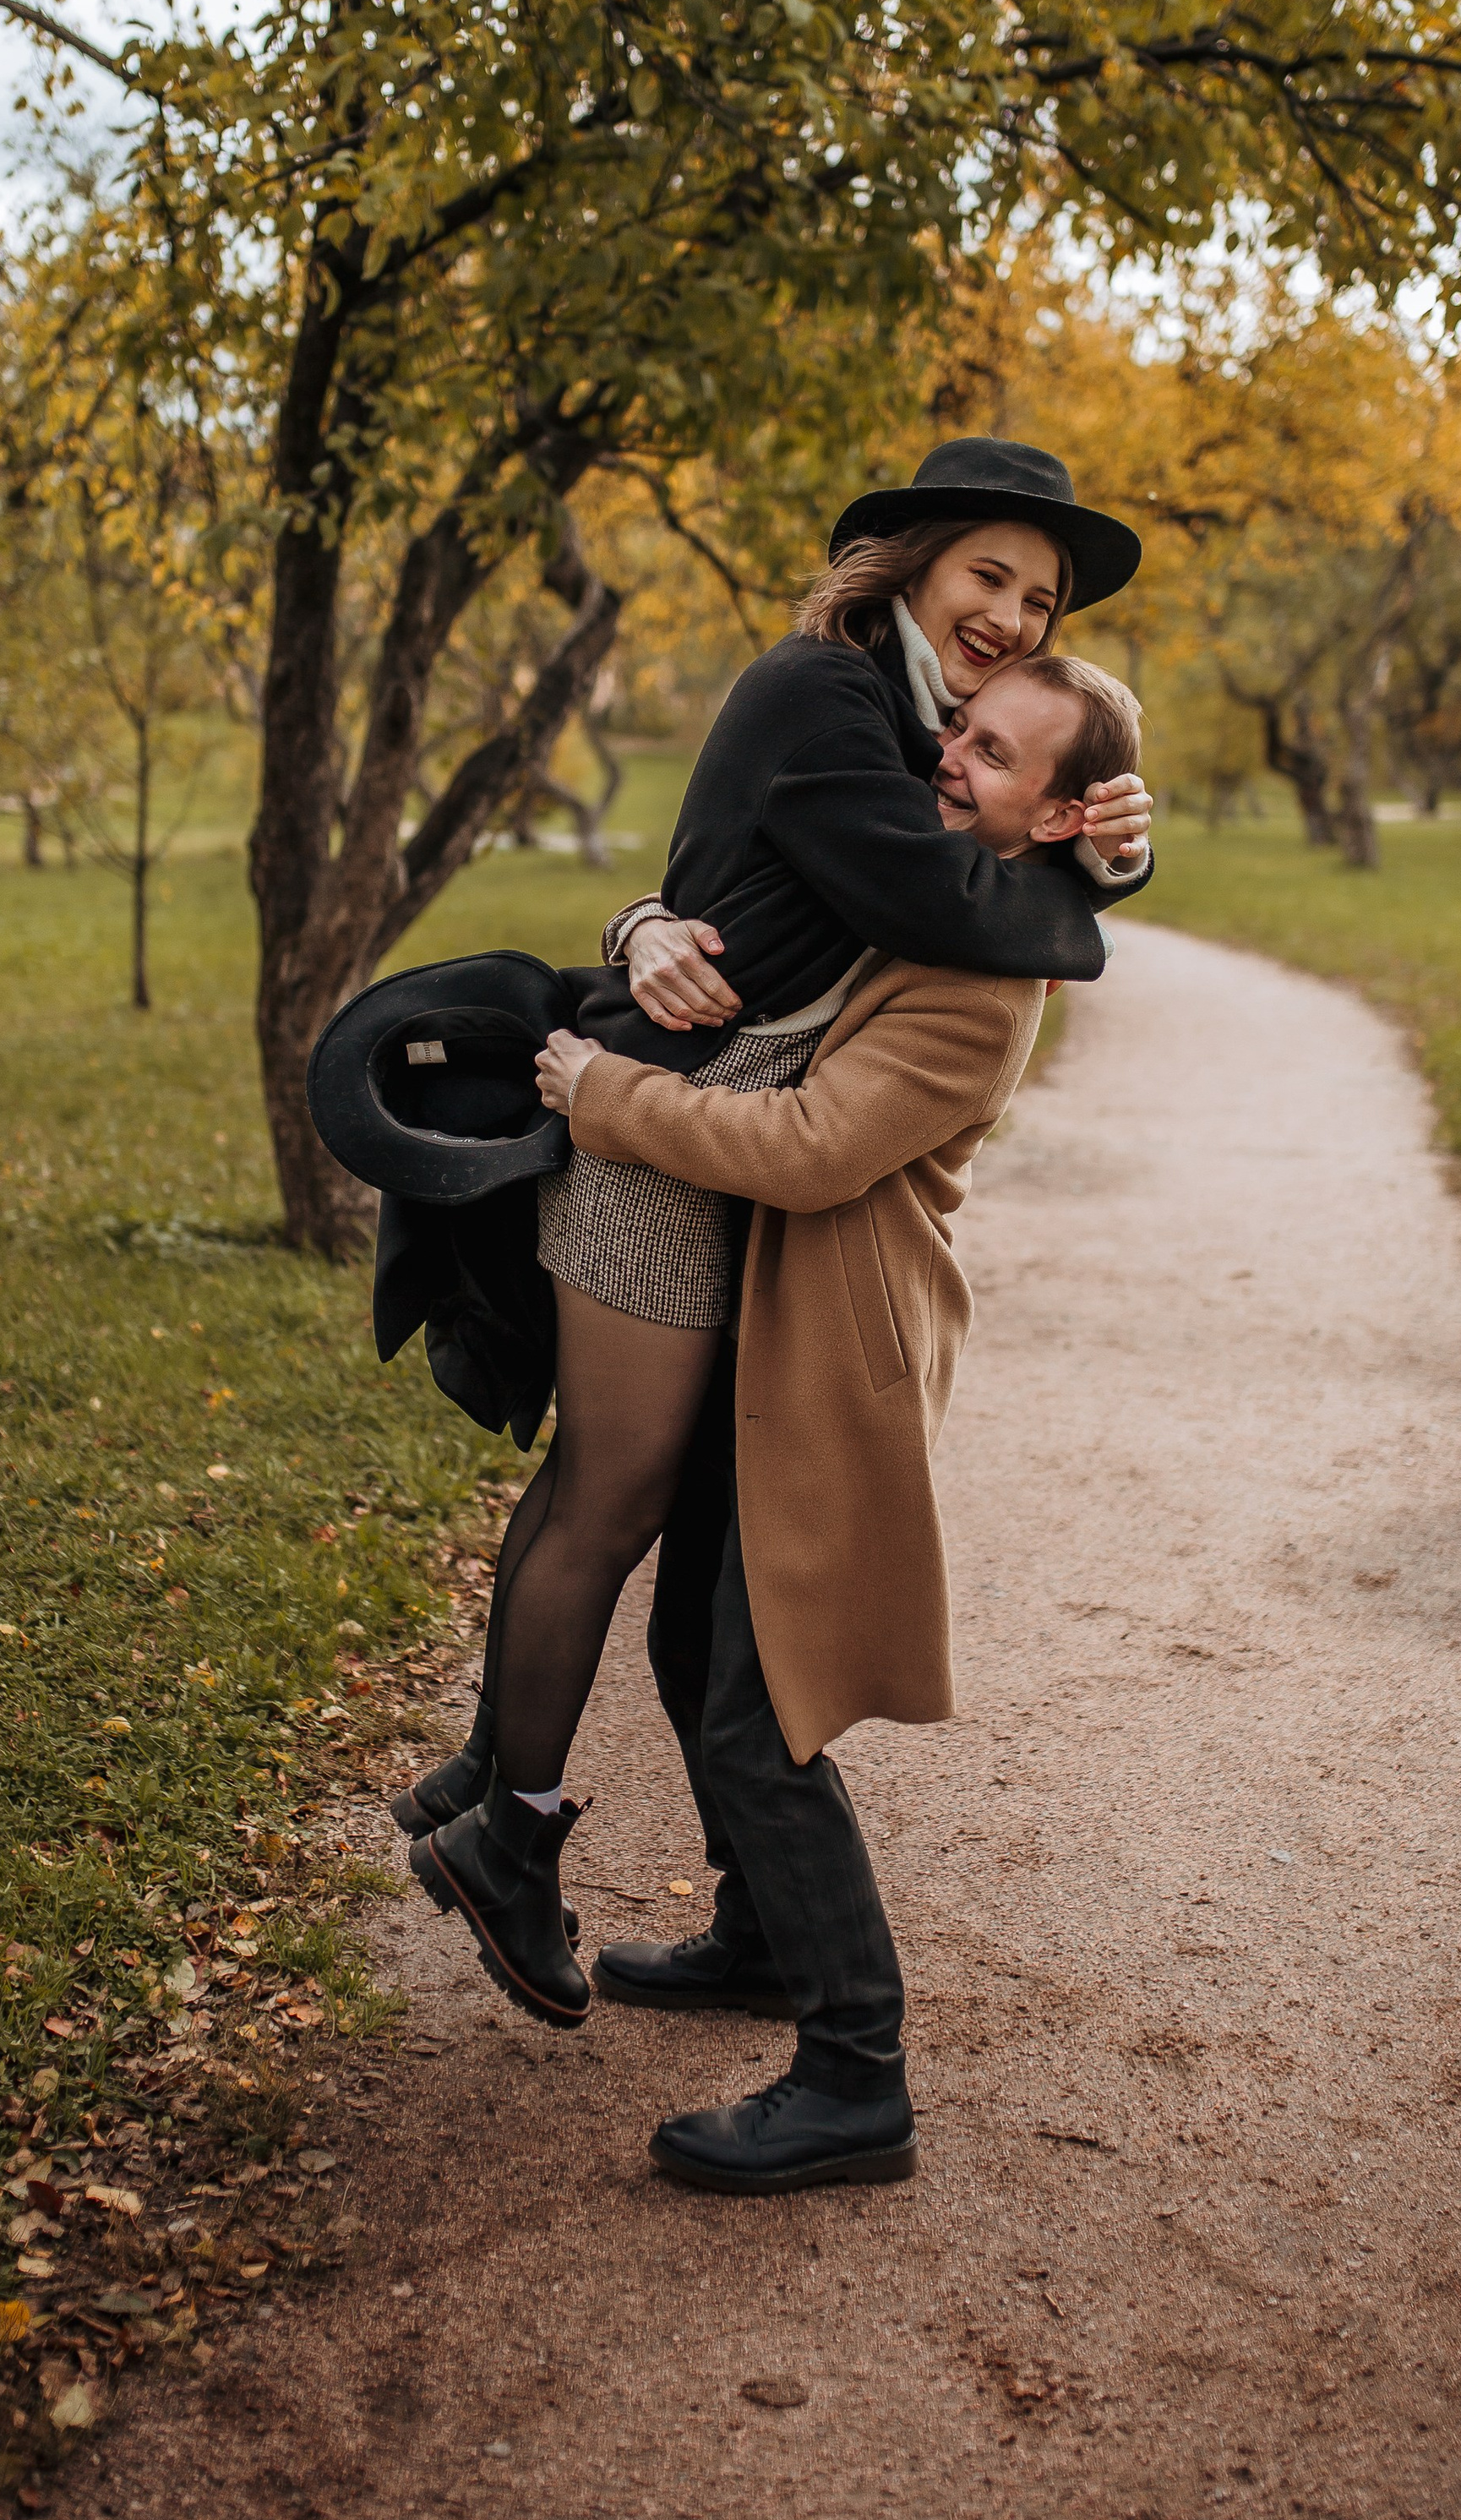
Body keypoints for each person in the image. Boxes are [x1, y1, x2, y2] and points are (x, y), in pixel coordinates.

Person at [391, 445, 1153, 1992]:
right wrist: (1104, 862)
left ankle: (491, 1787)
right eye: (989, 576)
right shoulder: (828, 691)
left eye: (1041, 596)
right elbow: (946, 894)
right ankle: (508, 1834)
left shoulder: (903, 707)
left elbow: (951, 837)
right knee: (613, 1494)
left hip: (687, 1123)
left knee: (608, 1492)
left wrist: (1098, 834)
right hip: (663, 1133)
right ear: (919, 559)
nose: (1010, 613)